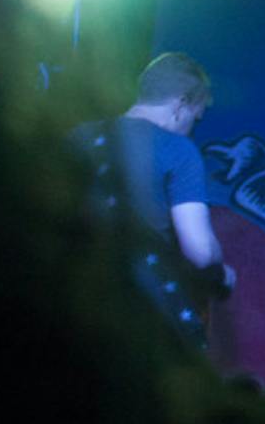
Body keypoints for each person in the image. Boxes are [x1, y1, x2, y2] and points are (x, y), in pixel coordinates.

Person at [72, 51, 234, 343]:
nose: (191, 130)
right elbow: (199, 250)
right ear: (181, 105)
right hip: (135, 316)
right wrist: (222, 274)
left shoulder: (75, 137)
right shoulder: (178, 150)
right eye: (195, 119)